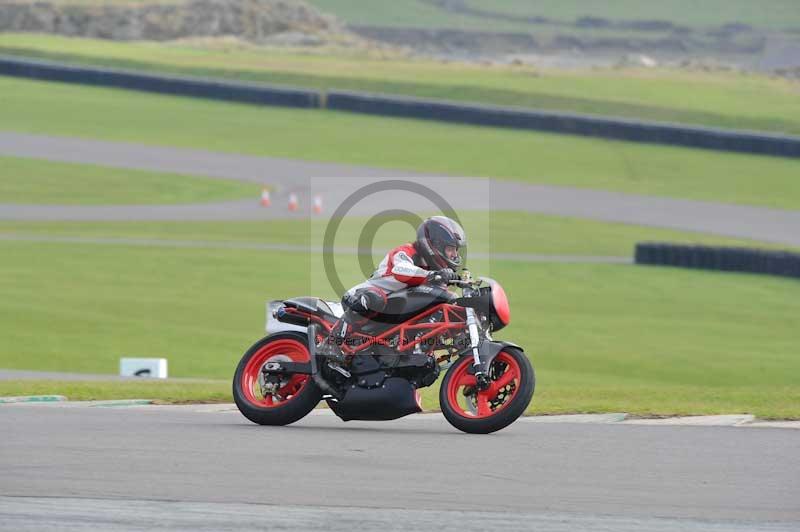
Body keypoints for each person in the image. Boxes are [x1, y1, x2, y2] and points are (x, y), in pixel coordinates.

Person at [339, 215, 467, 330]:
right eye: (450, 249)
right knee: (376, 298)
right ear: (434, 244)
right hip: (357, 298)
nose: (454, 255)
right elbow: (400, 271)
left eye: (456, 250)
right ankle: (333, 340)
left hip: (386, 312)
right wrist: (433, 275)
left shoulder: (433, 270)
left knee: (446, 299)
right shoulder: (406, 252)